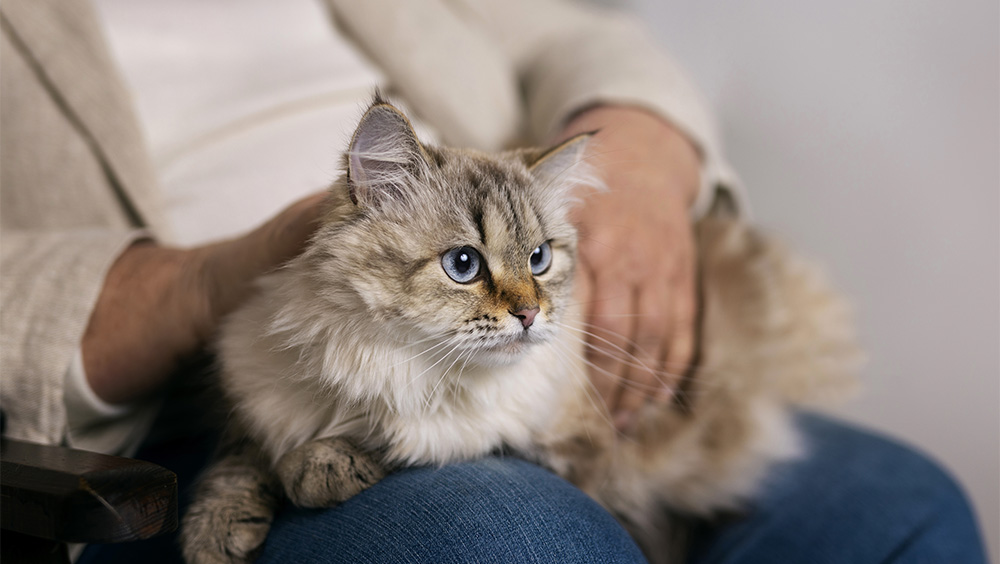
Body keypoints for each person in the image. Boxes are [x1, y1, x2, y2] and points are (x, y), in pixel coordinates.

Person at [0, 0, 987, 562]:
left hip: (483, 313)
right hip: (177, 409)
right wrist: (207, 280)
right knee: (516, 538)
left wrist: (641, 152)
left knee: (898, 508)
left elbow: (573, 34)